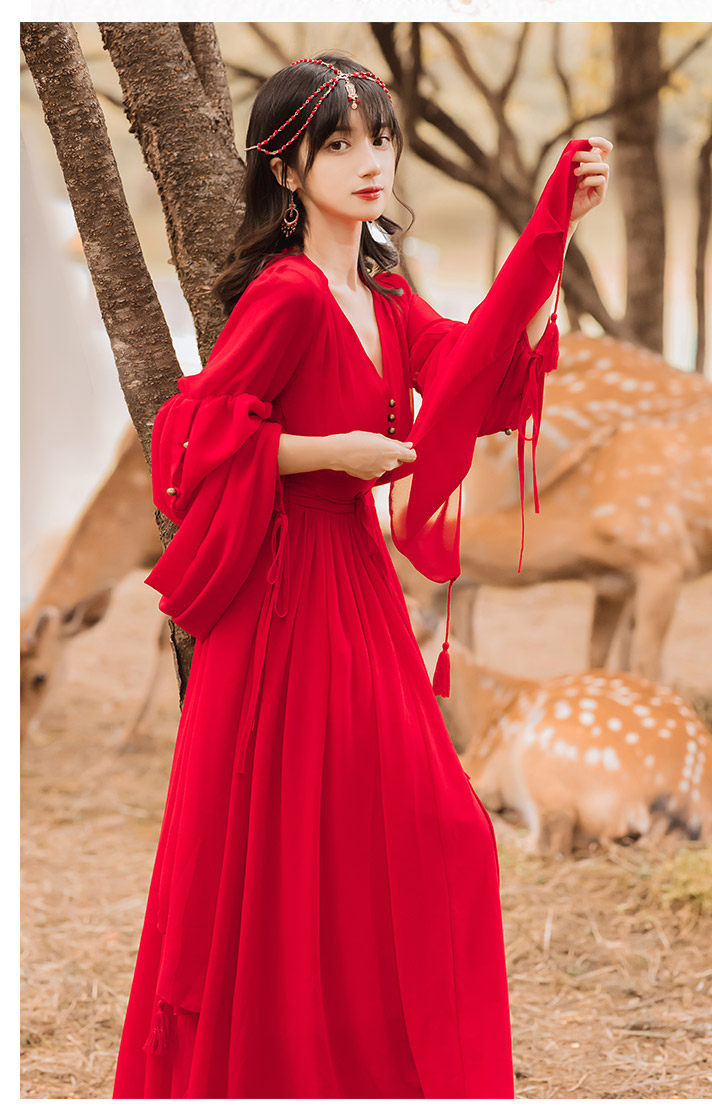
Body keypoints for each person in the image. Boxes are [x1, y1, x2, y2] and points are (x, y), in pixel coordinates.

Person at [112, 52, 611, 1099]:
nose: (369, 160)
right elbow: (190, 440)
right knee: (290, 848)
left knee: (435, 829)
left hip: (356, 587)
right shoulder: (288, 296)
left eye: (379, 138)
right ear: (286, 170)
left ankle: (359, 1076)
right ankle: (277, 1074)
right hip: (280, 598)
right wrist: (323, 452)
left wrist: (552, 239)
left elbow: (474, 372)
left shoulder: (384, 295)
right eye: (337, 144)